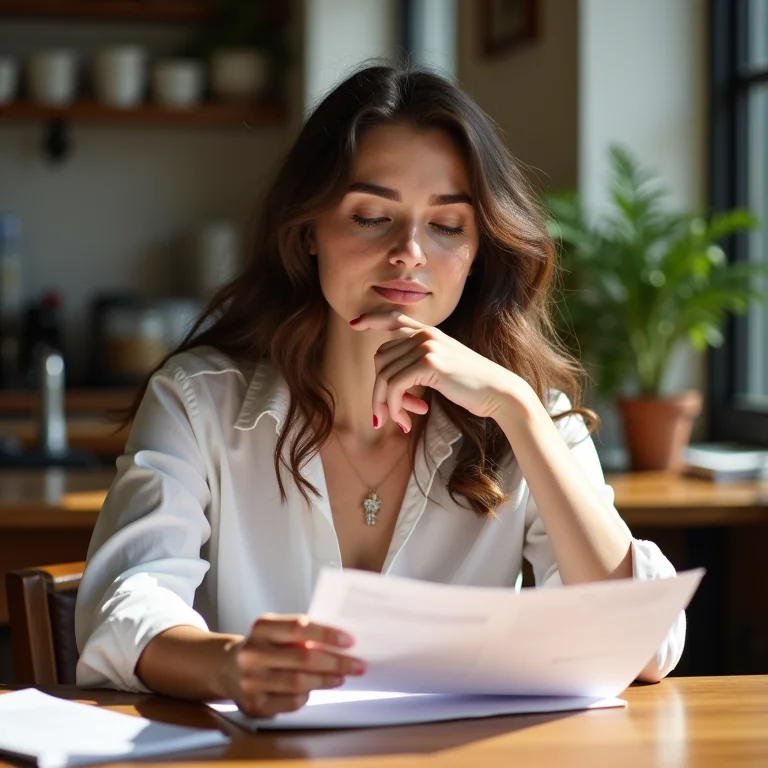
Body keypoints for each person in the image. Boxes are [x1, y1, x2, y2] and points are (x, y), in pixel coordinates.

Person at [74, 64, 685, 717]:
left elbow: (644, 644)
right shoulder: (200, 401)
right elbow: (127, 603)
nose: (410, 252)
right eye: (371, 215)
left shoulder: (526, 413)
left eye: (447, 225)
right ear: (308, 230)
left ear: (481, 249)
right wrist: (231, 665)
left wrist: (520, 413)